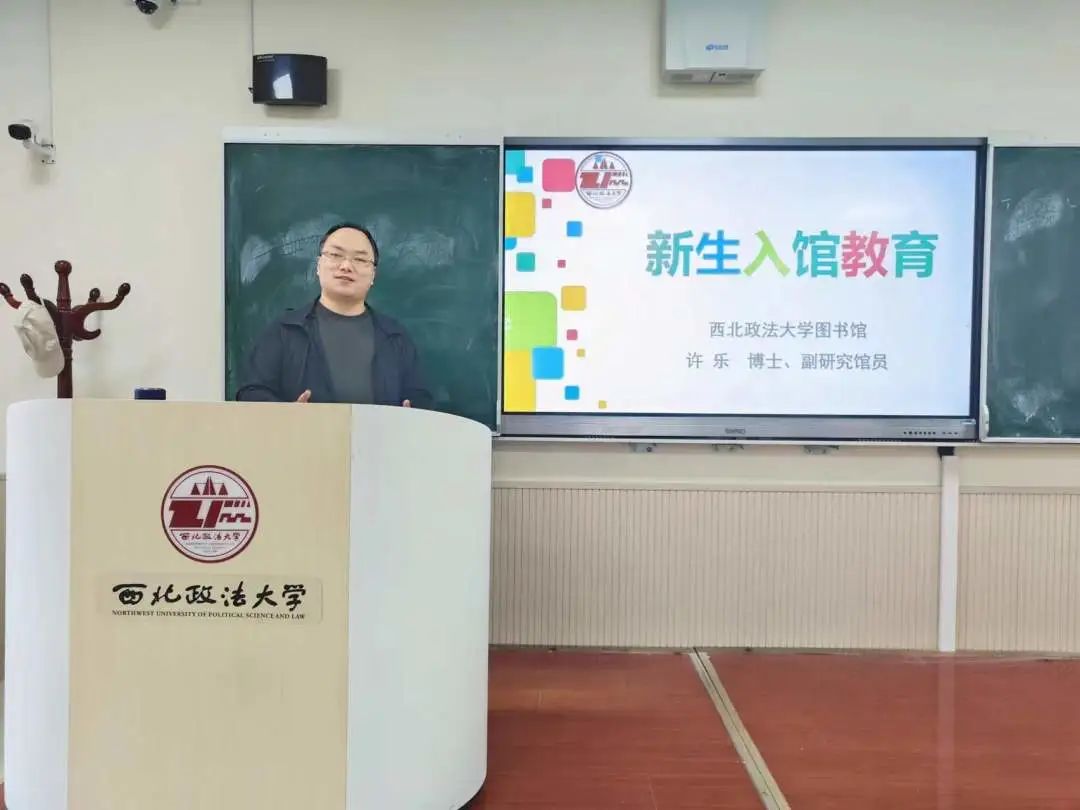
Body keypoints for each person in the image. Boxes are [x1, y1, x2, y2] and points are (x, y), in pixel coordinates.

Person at [236, 222, 432, 408]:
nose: (346, 266)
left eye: (360, 259)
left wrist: (412, 413)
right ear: (318, 266)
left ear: (373, 274)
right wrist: (288, 416)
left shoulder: (395, 337)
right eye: (336, 255)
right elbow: (251, 393)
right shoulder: (284, 331)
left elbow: (419, 398)